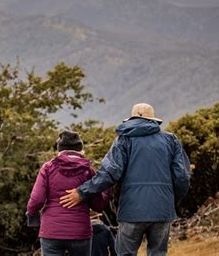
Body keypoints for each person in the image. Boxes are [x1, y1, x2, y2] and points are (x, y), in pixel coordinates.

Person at [60, 103, 190, 256]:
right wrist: (171, 201)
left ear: (132, 118)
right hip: (162, 210)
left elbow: (109, 173)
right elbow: (182, 176)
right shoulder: (171, 140)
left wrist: (82, 192)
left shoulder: (123, 140)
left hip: (131, 211)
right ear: (153, 120)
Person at [26, 130, 111, 256]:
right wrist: (107, 188)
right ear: (80, 149)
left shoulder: (48, 168)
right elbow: (98, 205)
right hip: (80, 232)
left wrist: (32, 215)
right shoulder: (88, 171)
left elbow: (37, 199)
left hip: (52, 231)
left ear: (60, 149)